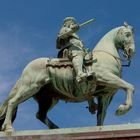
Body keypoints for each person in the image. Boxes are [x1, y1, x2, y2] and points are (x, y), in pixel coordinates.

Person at [56, 17, 92, 82]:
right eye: (71, 23)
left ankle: (89, 71)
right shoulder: (64, 29)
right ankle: (79, 74)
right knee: (78, 54)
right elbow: (61, 37)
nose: (73, 24)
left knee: (89, 55)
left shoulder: (75, 34)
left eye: (73, 23)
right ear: (66, 23)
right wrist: (71, 31)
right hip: (69, 49)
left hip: (79, 49)